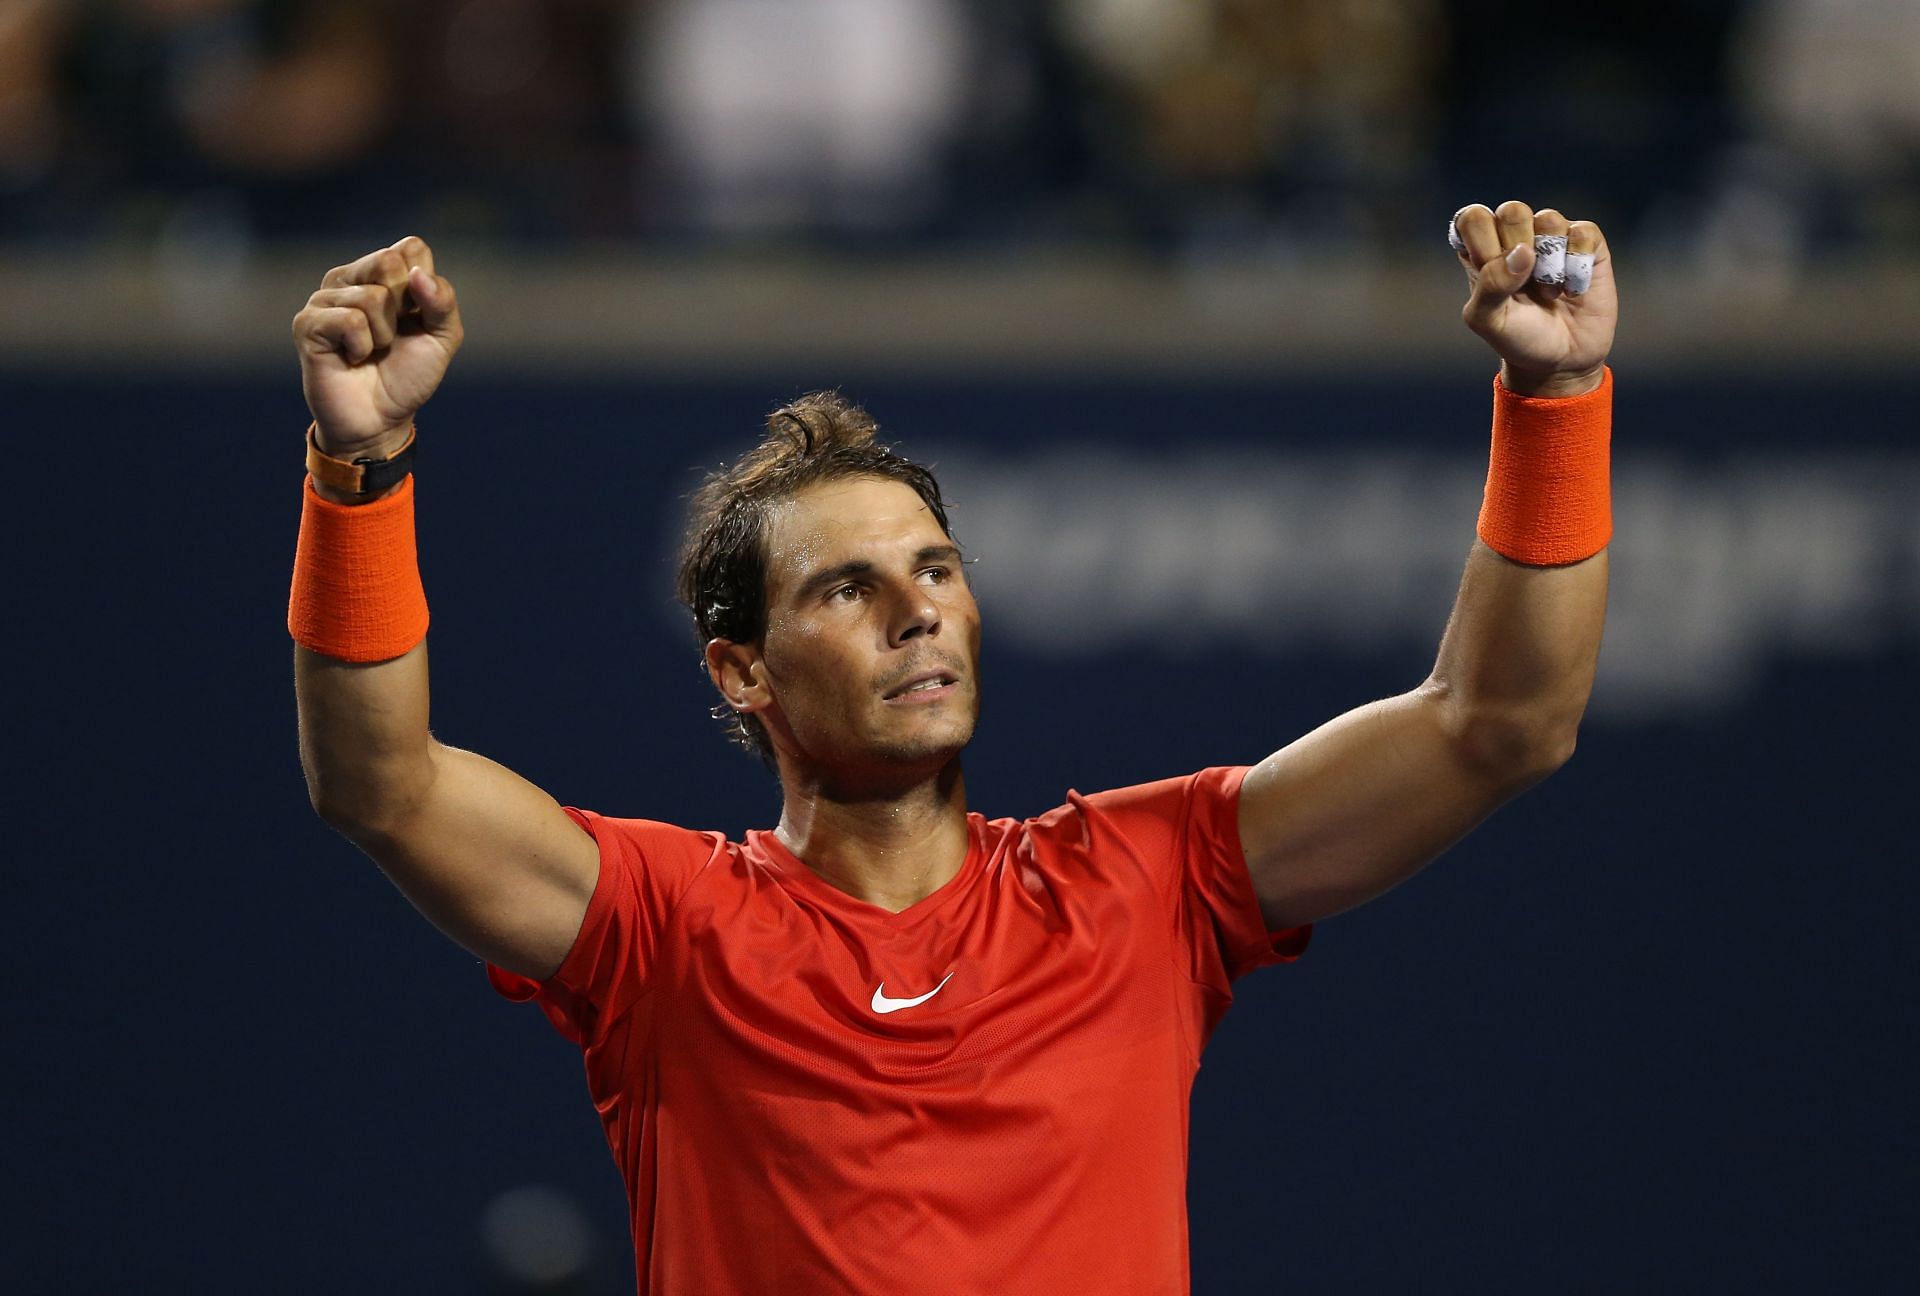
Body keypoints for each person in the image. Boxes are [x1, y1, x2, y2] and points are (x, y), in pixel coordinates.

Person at [289, 201, 1615, 1295]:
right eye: (845, 588)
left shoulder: (1148, 885)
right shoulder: (665, 930)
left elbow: (1499, 724)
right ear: (742, 670)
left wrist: (1554, 397)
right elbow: (381, 782)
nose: (918, 607)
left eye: (934, 568)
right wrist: (361, 459)